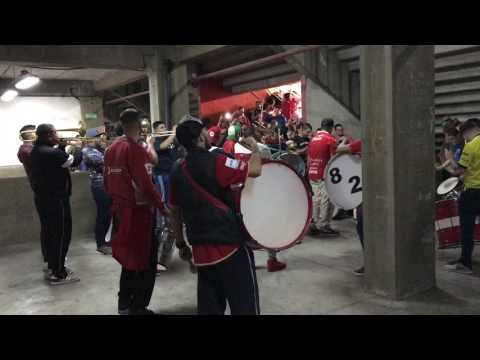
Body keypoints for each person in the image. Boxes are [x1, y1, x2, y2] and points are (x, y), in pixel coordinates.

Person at [169, 115, 262, 315]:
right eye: (203, 129)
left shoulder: (177, 170)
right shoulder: (217, 162)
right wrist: (254, 147)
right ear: (200, 138)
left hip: (201, 251)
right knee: (244, 305)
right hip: (229, 245)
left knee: (210, 308)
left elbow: (174, 211)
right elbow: (255, 169)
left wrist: (181, 244)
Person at [103, 108, 168, 315]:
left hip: (119, 211)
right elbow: (146, 184)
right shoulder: (134, 149)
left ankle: (124, 304)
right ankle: (138, 307)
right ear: (139, 125)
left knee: (128, 260)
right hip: (137, 213)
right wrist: (161, 206)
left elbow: (106, 181)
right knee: (146, 260)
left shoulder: (111, 148)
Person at [30, 124, 80, 285]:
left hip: (44, 198)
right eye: (56, 134)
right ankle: (59, 273)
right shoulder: (51, 152)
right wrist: (78, 147)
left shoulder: (37, 150)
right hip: (56, 200)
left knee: (50, 233)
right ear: (49, 135)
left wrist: (62, 146)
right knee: (61, 234)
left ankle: (53, 266)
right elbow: (73, 161)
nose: (58, 136)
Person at [444, 118, 480, 274]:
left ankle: (465, 263)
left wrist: (450, 162)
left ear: (471, 129)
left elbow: (459, 170)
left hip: (472, 192)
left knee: (467, 228)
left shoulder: (471, 146)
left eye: (464, 133)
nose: (464, 137)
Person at [152, 120, 179, 272]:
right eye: (161, 127)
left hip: (170, 176)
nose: (165, 129)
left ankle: (164, 257)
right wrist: (173, 134)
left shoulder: (170, 141)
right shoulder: (156, 141)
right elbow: (161, 147)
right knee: (163, 207)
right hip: (161, 177)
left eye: (165, 127)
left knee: (171, 207)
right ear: (156, 130)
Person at [308, 118, 340, 236]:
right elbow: (334, 158)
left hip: (312, 171)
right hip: (324, 173)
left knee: (316, 198)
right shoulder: (330, 139)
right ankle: (324, 225)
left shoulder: (313, 139)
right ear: (331, 128)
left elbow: (309, 158)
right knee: (327, 199)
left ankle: (315, 222)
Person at [337, 139, 363, 275]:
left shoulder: (364, 141)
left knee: (363, 228)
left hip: (365, 195)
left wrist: (342, 143)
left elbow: (340, 149)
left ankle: (371, 263)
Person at [82, 138, 112, 255]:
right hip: (99, 186)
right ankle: (101, 244)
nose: (101, 139)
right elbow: (107, 161)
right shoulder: (88, 151)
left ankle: (107, 241)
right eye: (98, 137)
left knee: (109, 215)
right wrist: (108, 149)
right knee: (103, 215)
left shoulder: (99, 149)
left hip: (107, 185)